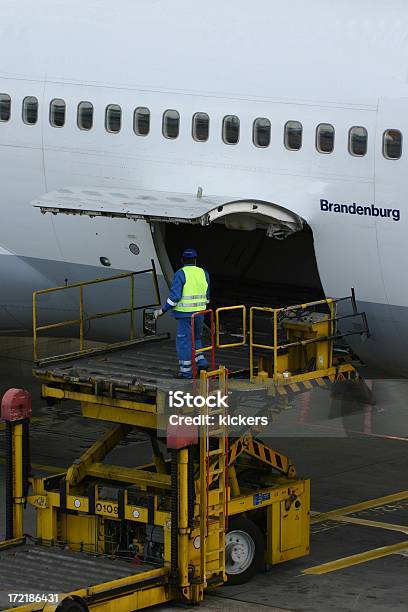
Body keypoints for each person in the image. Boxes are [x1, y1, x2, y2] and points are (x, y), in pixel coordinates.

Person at [154, 248, 210, 378]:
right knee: (196, 338)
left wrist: (162, 310)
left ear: (182, 261)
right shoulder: (204, 273)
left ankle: (186, 373)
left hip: (185, 316)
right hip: (200, 313)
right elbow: (207, 296)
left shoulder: (180, 273)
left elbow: (175, 297)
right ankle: (201, 361)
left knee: (184, 343)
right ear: (195, 260)